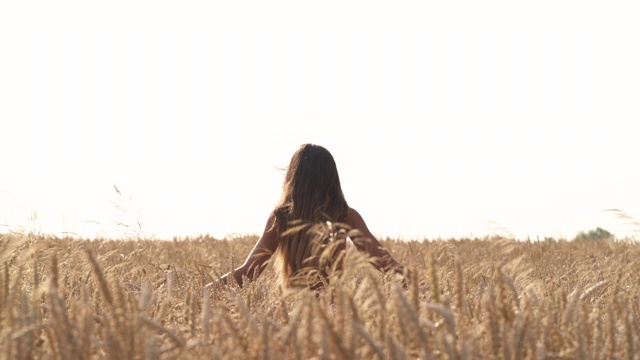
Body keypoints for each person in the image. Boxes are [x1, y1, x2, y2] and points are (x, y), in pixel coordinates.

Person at [219, 144, 407, 289]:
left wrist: (204, 292)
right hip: (334, 313)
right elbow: (386, 264)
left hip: (294, 313)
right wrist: (427, 290)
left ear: (293, 177)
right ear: (332, 179)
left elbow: (248, 272)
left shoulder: (281, 217)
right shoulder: (344, 216)